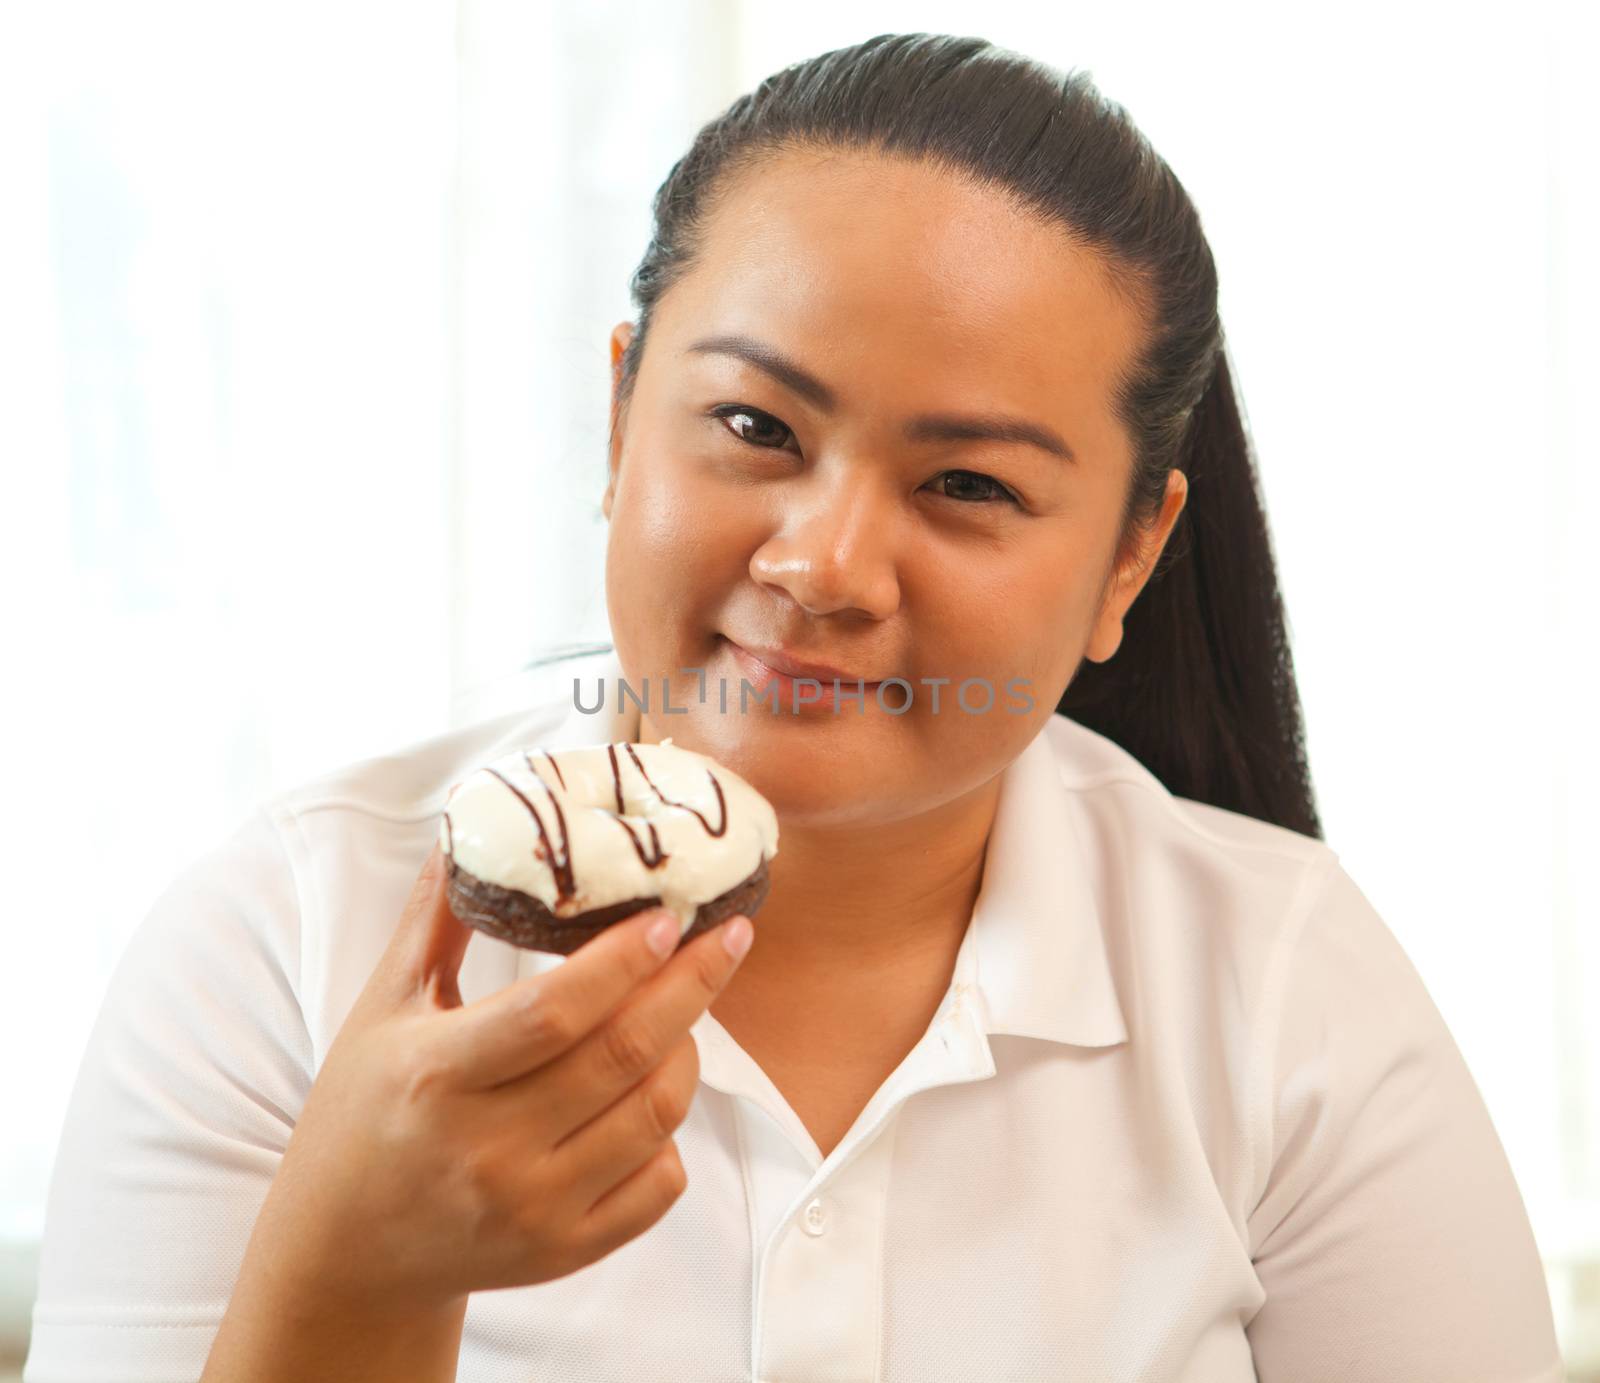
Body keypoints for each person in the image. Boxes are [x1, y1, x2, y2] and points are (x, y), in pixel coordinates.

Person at [25, 32, 1564, 1383]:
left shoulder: (1284, 987)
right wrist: (359, 1269)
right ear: (624, 421)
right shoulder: (283, 942)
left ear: (1131, 556)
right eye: (755, 425)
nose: (823, 565)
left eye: (968, 485)